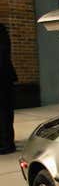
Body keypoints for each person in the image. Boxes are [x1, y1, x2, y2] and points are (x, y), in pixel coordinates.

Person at [0, 23, 17, 154]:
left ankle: (7, 144)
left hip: (3, 79)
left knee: (4, 112)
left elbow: (3, 55)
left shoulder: (1, 31)